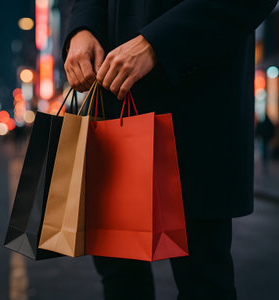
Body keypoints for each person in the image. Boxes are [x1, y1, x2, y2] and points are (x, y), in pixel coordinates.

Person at [63, 1, 278, 299]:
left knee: (203, 282)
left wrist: (157, 42)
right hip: (114, 112)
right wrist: (81, 28)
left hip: (196, 110)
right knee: (119, 279)